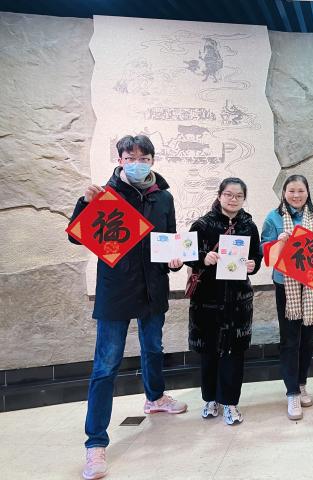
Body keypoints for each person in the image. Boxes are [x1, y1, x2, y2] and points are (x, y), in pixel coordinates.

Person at [68, 134, 187, 480]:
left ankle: (155, 398)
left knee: (153, 347)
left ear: (152, 160)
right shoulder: (105, 195)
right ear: (119, 160)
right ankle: (95, 443)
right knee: (106, 365)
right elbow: (75, 236)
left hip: (153, 287)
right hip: (116, 289)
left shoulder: (163, 197)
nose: (137, 163)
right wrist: (84, 203)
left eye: (143, 157)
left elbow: (169, 239)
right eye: (130, 157)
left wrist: (175, 261)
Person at [185, 178, 262, 425]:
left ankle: (230, 403)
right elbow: (186, 254)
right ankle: (210, 399)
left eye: (238, 196)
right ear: (219, 196)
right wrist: (203, 258)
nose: (233, 199)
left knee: (234, 353)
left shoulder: (249, 226)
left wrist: (253, 265)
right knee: (209, 352)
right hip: (207, 300)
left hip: (238, 301)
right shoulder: (202, 224)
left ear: (244, 199)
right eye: (228, 194)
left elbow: (256, 257)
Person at [261, 175, 313, 420]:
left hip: (312, 283)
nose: (296, 195)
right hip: (285, 284)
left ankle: (302, 384)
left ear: (307, 192)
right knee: (290, 339)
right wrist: (277, 242)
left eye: (300, 190)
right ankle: (291, 392)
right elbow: (264, 250)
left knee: (308, 338)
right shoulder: (274, 217)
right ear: (284, 193)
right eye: (291, 191)